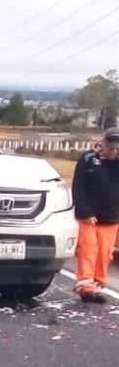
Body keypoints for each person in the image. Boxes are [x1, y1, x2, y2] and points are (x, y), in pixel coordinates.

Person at [72, 127, 119, 303]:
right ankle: (86, 286)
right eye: (111, 148)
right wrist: (84, 211)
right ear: (103, 144)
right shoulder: (88, 159)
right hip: (89, 215)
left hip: (112, 216)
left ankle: (97, 285)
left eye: (117, 149)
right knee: (88, 249)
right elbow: (78, 186)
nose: (113, 152)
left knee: (105, 253)